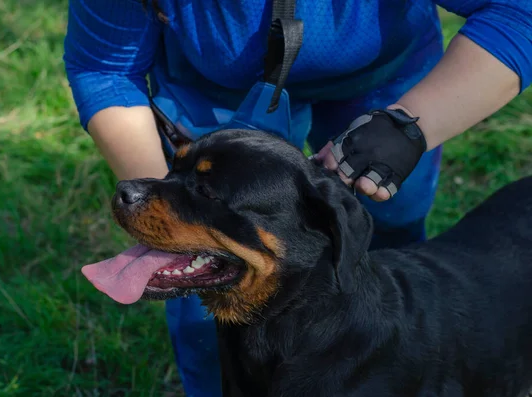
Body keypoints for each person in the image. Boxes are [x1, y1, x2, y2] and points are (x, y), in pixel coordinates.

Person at [63, 0, 531, 396]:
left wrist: (409, 126)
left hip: (382, 71)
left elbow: (518, 9)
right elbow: (104, 65)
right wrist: (170, 217)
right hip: (215, 84)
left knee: (388, 241)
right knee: (205, 300)